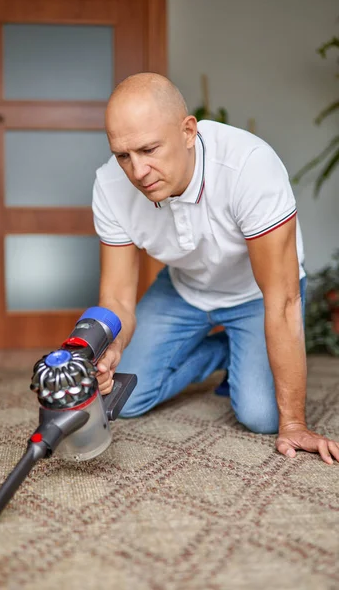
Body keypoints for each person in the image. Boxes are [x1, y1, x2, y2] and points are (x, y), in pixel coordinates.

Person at [92, 72, 339, 465]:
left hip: (258, 295)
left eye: (149, 149)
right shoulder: (109, 185)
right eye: (124, 155)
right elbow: (118, 298)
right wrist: (110, 350)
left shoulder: (248, 166)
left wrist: (294, 424)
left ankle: (245, 347)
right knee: (121, 397)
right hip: (185, 289)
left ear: (188, 131)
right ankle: (225, 350)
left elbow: (284, 300)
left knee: (262, 416)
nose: (137, 171)